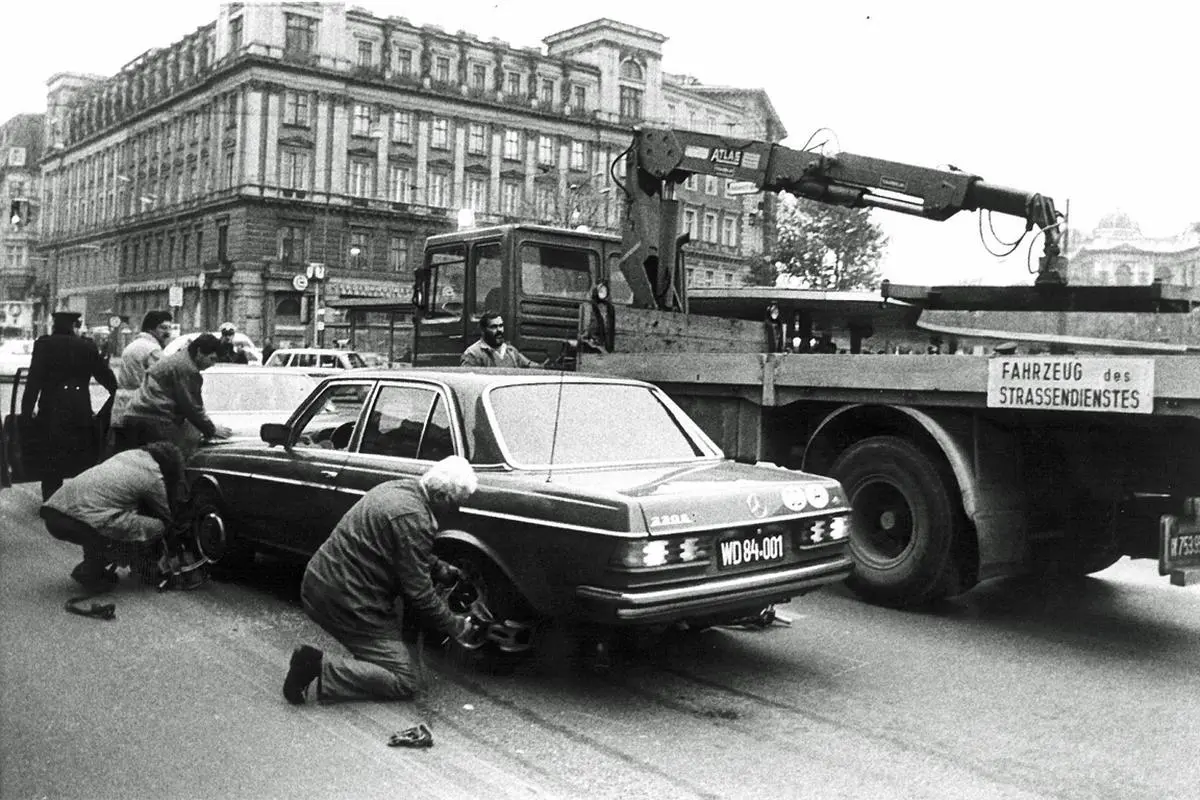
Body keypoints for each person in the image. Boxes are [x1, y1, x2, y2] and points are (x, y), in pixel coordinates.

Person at [283, 456, 479, 705]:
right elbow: (420, 594)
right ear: (442, 498)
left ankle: (369, 656)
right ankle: (318, 666)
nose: (457, 511)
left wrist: (438, 568)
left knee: (390, 651)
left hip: (324, 584)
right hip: (347, 601)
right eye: (457, 504)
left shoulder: (399, 489)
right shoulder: (414, 517)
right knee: (405, 681)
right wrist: (456, 626)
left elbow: (399, 548)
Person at [40, 441, 186, 594]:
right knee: (157, 526)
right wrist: (175, 555)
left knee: (106, 518)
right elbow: (167, 519)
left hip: (54, 513)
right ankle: (93, 571)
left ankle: (91, 566)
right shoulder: (153, 476)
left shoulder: (128, 455)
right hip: (80, 521)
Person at [21, 311, 118, 500]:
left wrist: (26, 412)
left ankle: (51, 499)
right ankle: (78, 500)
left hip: (51, 408)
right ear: (74, 325)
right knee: (80, 454)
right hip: (79, 408)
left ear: (55, 325)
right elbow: (109, 381)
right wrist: (106, 409)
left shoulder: (44, 344)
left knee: (51, 455)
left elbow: (34, 380)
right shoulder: (87, 346)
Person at [118, 332, 232, 454]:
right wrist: (211, 429)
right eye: (211, 359)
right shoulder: (187, 369)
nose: (212, 364)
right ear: (199, 352)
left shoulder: (178, 359)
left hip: (135, 415)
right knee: (171, 461)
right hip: (155, 420)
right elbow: (192, 407)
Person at [109, 310, 173, 450]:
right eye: (163, 328)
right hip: (143, 409)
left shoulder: (134, 345)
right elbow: (162, 381)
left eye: (170, 327)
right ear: (151, 329)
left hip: (123, 408)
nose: (168, 332)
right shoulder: (153, 350)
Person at [459, 312, 539, 368]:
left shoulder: (510, 350)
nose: (499, 330)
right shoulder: (473, 354)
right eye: (494, 327)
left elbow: (528, 365)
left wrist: (544, 367)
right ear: (483, 330)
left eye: (501, 326)